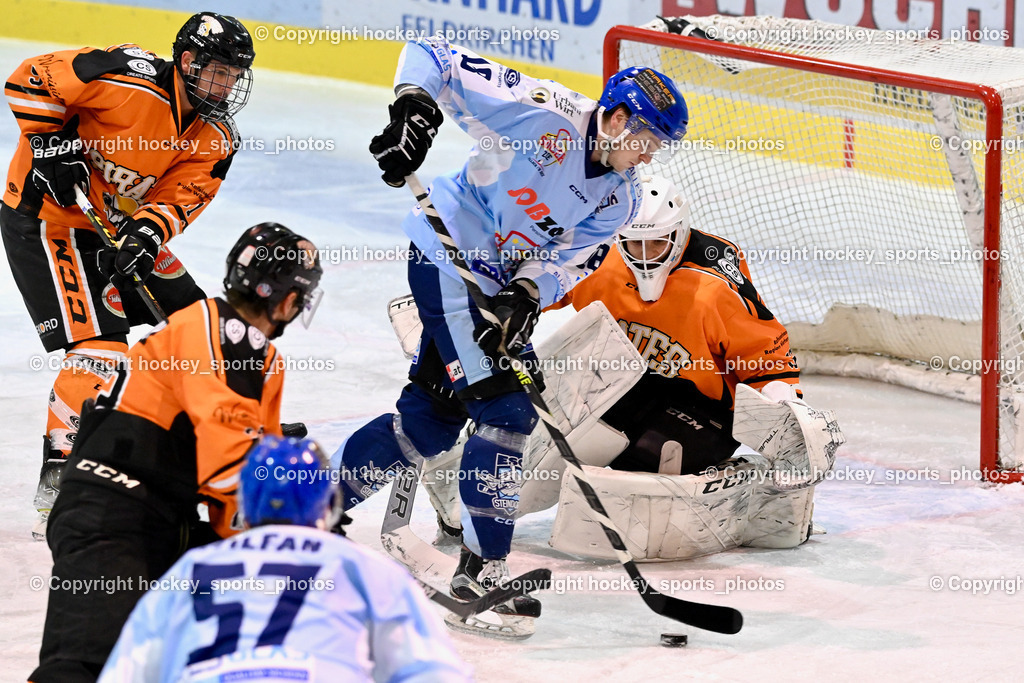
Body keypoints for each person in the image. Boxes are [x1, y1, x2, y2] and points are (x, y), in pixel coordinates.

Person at [334, 34, 689, 621]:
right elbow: (435, 56)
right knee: (506, 412)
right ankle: (483, 571)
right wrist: (413, 109)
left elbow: (569, 261)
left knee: (431, 419)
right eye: (647, 138)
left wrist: (529, 291)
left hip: (493, 290)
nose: (648, 154)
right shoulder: (544, 113)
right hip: (446, 255)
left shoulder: (618, 201)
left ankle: (313, 510)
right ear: (618, 117)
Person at [30, 223, 323, 683]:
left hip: (162, 517)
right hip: (108, 514)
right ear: (287, 297)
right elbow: (231, 466)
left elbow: (241, 495)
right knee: (80, 670)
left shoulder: (256, 354)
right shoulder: (216, 332)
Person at [0, 12, 255, 538]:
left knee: (205, 332)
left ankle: (195, 456)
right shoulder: (126, 75)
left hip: (112, 227)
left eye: (234, 75)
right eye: (220, 71)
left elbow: (178, 200)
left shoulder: (216, 136)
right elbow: (29, 78)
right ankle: (61, 480)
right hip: (46, 221)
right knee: (102, 348)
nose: (227, 85)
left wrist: (144, 235)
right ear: (187, 61)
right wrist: (49, 144)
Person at [98, 435, 472, 682]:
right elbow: (433, 673)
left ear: (243, 508)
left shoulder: (192, 570)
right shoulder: (363, 568)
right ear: (327, 506)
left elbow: (125, 672)